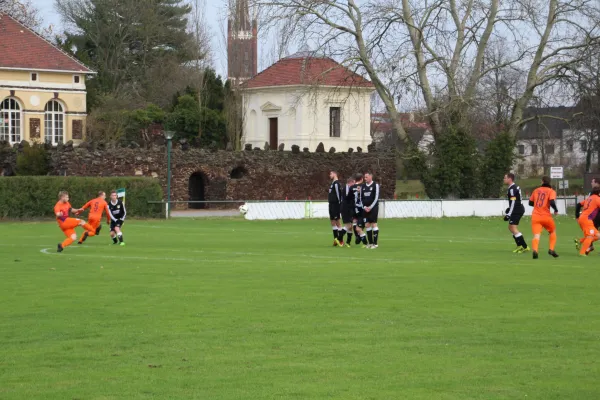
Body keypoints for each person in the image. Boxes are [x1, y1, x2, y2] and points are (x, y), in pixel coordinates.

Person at [528, 176, 559, 259]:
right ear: (549, 182)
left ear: (542, 181)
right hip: (546, 216)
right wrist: (556, 210)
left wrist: (537, 204)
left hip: (535, 216)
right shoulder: (551, 191)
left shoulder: (536, 190)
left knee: (536, 235)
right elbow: (552, 202)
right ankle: (551, 249)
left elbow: (530, 203)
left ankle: (535, 250)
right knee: (553, 231)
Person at [503, 173, 529, 253]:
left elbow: (513, 202)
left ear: (510, 179)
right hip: (517, 209)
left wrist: (508, 214)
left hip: (517, 210)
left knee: (513, 228)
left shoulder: (512, 189)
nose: (504, 179)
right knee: (511, 227)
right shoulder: (514, 187)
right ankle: (519, 246)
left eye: (505, 178)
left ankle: (524, 246)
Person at [575, 178, 600, 253]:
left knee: (593, 235)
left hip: (585, 217)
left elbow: (579, 204)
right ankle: (583, 251)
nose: (591, 183)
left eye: (592, 182)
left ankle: (583, 243)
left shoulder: (591, 197)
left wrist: (577, 216)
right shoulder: (596, 198)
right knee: (591, 235)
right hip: (590, 218)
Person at [361, 172, 381, 249]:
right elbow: (361, 198)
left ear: (370, 177)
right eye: (364, 177)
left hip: (373, 208)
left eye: (366, 177)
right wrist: (364, 207)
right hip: (365, 208)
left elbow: (376, 197)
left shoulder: (375, 185)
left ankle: (375, 244)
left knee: (373, 224)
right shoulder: (363, 186)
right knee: (367, 225)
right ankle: (370, 243)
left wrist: (370, 207)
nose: (365, 179)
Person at [328, 171, 344, 246]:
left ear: (335, 174)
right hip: (331, 204)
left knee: (338, 222)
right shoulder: (332, 184)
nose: (330, 175)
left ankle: (340, 240)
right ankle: (335, 239)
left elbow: (339, 195)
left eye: (331, 174)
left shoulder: (337, 183)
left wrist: (339, 204)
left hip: (336, 205)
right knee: (332, 222)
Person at [352, 173, 368, 247]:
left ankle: (358, 237)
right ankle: (365, 242)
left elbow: (348, 198)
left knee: (355, 223)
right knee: (360, 227)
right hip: (362, 209)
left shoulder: (351, 187)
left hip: (354, 209)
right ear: (362, 179)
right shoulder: (364, 187)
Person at [340, 176, 356, 247]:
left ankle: (348, 242)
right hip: (346, 209)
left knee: (350, 226)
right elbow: (346, 199)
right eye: (354, 183)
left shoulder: (348, 188)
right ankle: (338, 237)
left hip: (349, 209)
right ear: (351, 182)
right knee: (348, 225)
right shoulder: (346, 188)